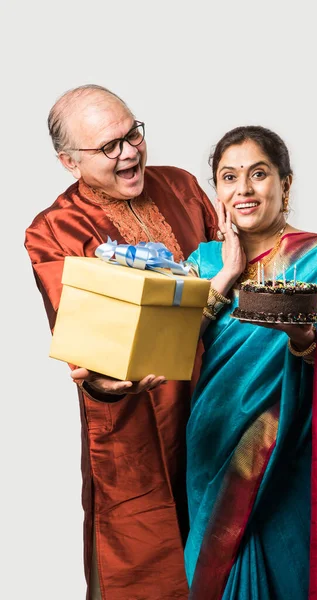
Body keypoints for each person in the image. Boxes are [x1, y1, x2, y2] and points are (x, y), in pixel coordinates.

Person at [184, 126, 317, 599]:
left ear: (285, 183)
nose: (243, 190)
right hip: (214, 448)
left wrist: (309, 342)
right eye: (229, 177)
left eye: (258, 174)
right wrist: (227, 276)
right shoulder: (202, 264)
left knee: (292, 572)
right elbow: (172, 347)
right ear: (216, 191)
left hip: (297, 450)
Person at [24, 84, 218, 600]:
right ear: (69, 162)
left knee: (227, 549)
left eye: (133, 133)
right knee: (145, 568)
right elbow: (85, 339)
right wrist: (109, 383)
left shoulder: (181, 187)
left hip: (216, 402)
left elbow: (231, 275)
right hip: (135, 426)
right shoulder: (53, 230)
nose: (130, 151)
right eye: (109, 146)